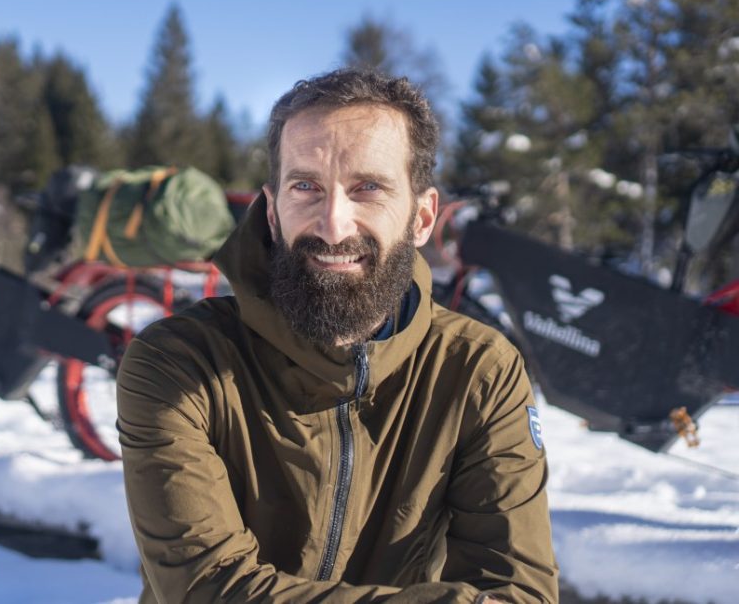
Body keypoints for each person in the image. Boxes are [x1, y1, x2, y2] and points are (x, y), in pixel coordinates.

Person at [116, 68, 558, 603]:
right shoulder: (180, 362)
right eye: (306, 187)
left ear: (421, 217)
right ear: (273, 211)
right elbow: (207, 589)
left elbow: (520, 589)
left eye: (367, 188)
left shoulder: (478, 371)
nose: (333, 224)